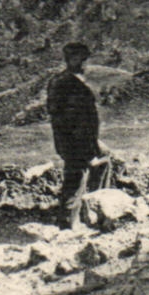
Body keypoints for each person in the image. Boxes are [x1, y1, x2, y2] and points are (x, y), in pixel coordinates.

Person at [46, 41, 103, 230]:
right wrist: (84, 144)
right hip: (74, 140)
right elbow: (64, 117)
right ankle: (69, 222)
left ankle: (92, 208)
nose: (85, 62)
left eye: (86, 58)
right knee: (76, 176)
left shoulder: (74, 80)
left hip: (82, 138)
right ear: (71, 59)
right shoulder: (65, 83)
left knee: (101, 162)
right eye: (81, 58)